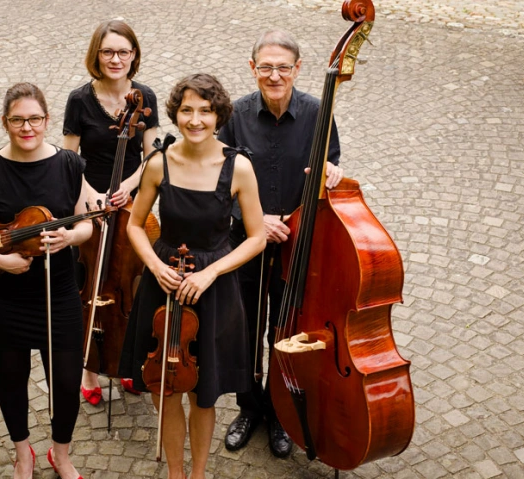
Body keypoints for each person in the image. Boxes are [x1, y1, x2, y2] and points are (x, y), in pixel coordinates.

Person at [119, 73, 265, 479]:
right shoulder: (158, 163)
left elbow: (256, 238)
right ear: (176, 113)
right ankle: (176, 474)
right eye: (187, 110)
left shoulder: (239, 168)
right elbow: (134, 225)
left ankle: (198, 474)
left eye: (205, 111)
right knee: (165, 390)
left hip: (213, 290)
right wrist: (155, 266)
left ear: (218, 116)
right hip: (163, 284)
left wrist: (211, 272)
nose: (195, 120)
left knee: (204, 395)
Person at [0, 83, 91, 479]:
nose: (27, 127)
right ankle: (23, 453)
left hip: (58, 294)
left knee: (66, 381)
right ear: (5, 122)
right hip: (4, 297)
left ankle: (61, 454)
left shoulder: (68, 164)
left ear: (47, 120)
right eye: (18, 120)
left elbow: (86, 224)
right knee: (12, 379)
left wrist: (69, 237)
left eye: (35, 119)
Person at [217, 29, 344, 458]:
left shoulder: (317, 112)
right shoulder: (234, 115)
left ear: (298, 69)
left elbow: (330, 162)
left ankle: (281, 412)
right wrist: (254, 219)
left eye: (283, 67)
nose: (274, 76)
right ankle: (249, 408)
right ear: (252, 68)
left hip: (297, 246)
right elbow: (218, 179)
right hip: (246, 243)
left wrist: (332, 172)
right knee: (246, 328)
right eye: (266, 67)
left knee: (285, 329)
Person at [63, 19, 159, 404]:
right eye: (108, 52)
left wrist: (129, 186)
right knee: (87, 283)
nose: (115, 59)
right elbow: (69, 158)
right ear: (97, 55)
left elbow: (153, 155)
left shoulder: (145, 96)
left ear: (134, 55)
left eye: (123, 52)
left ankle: (126, 361)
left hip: (131, 198)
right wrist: (90, 194)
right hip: (89, 196)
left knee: (131, 283)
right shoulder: (79, 100)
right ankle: (88, 366)